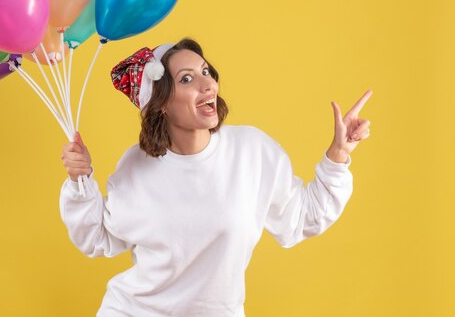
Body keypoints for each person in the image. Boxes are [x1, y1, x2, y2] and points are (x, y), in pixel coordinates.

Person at [59, 37, 372, 317]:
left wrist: (338, 154)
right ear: (162, 103)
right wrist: (80, 180)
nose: (207, 85)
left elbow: (302, 217)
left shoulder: (252, 152)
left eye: (206, 72)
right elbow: (100, 238)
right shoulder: (136, 166)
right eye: (187, 79)